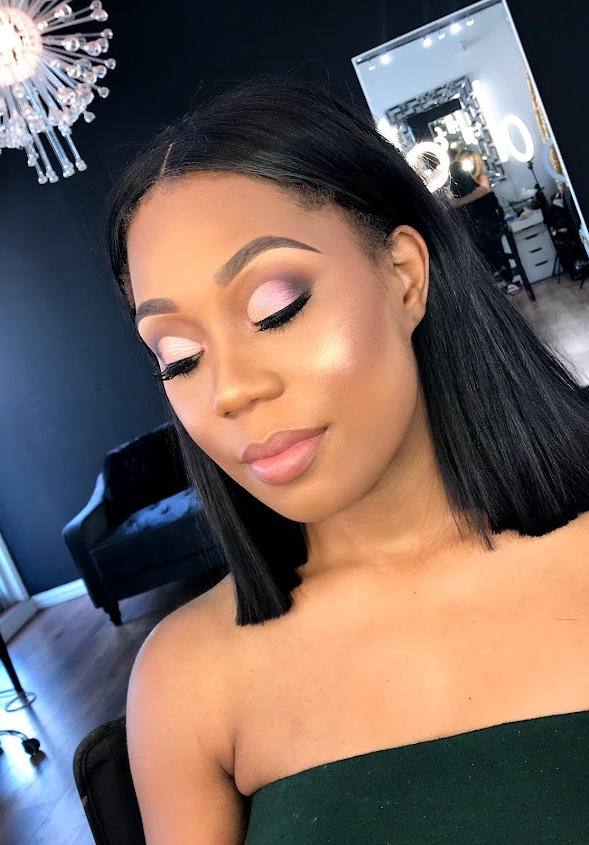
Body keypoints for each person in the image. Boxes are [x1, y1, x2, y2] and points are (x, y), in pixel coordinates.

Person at [105, 76, 589, 844]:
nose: (231, 389)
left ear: (404, 275)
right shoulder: (185, 680)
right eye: (179, 356)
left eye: (276, 308)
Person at [449, 150, 520, 294]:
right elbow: (452, 201)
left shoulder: (481, 178)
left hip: (488, 226)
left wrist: (461, 202)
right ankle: (496, 279)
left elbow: (484, 190)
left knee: (492, 243)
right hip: (474, 228)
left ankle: (504, 278)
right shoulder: (455, 185)